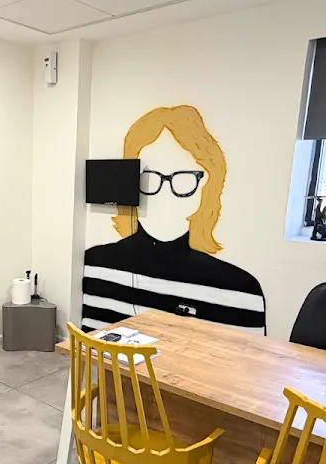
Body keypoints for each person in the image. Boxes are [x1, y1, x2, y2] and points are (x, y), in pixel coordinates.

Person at [82, 105, 266, 333]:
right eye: (149, 178)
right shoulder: (95, 264)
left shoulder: (240, 289)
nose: (164, 195)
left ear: (207, 186)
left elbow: (244, 354)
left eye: (185, 178)